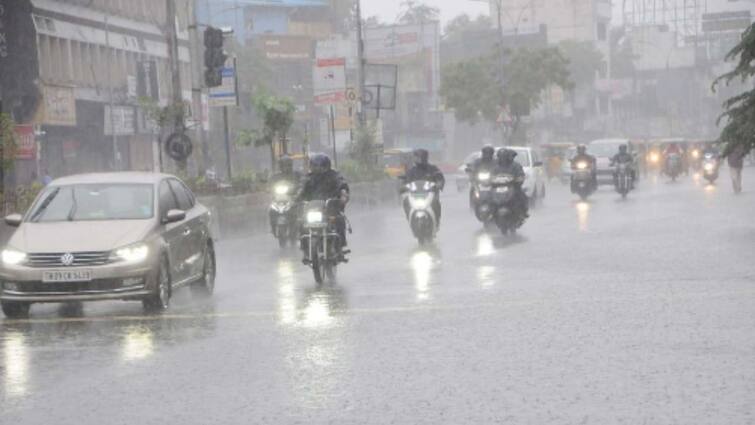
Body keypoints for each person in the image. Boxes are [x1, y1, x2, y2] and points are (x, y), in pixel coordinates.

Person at [297, 154, 350, 252]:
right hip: (313, 208)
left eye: (320, 166)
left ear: (326, 166)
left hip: (330, 208)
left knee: (339, 219)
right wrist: (297, 197)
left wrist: (343, 195)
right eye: (315, 166)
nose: (317, 168)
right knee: (302, 221)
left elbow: (342, 184)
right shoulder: (308, 178)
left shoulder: (334, 175)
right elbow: (301, 188)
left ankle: (341, 244)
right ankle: (304, 245)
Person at [404, 149, 445, 224]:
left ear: (423, 157)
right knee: (406, 201)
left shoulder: (432, 169)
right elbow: (406, 181)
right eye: (415, 157)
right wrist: (404, 187)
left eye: (417, 157)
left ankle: (437, 221)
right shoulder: (412, 171)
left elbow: (440, 177)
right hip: (415, 195)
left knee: (436, 203)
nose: (415, 159)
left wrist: (439, 184)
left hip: (430, 195)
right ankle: (409, 219)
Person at [269, 155, 302, 234]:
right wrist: (270, 189)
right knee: (271, 210)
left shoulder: (296, 174)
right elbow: (271, 185)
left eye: (288, 164)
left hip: (293, 197)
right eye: (284, 165)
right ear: (280, 166)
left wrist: (299, 189)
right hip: (279, 198)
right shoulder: (276, 176)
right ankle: (273, 227)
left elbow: (302, 182)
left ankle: (299, 226)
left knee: (300, 211)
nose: (286, 167)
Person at [493, 149, 529, 220]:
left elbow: (520, 174)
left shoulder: (515, 165)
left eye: (504, 157)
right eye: (501, 157)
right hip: (498, 187)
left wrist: (518, 179)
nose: (502, 159)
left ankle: (522, 213)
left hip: (513, 186)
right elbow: (491, 175)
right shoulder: (496, 166)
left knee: (521, 196)